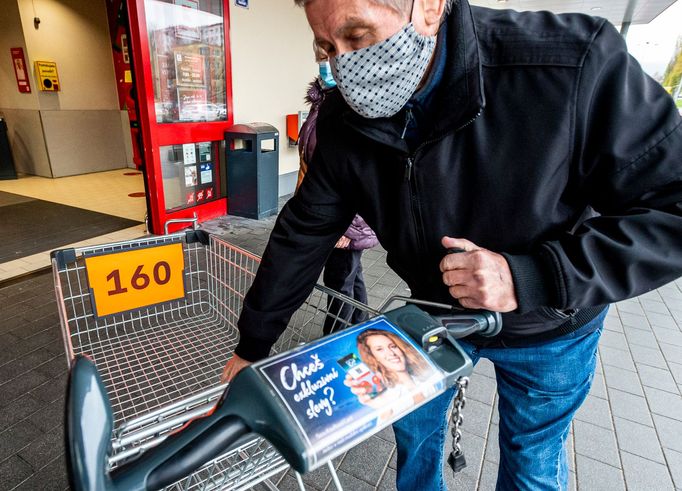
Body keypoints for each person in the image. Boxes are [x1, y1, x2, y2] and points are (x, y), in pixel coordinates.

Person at [221, 0, 682, 489]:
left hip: (553, 328)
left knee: (532, 460)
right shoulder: (345, 122)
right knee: (413, 433)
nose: (345, 66)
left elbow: (672, 209)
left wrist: (533, 276)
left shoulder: (569, 63)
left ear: (431, 7)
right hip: (429, 316)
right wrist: (252, 346)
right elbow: (303, 233)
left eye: (357, 37)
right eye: (327, 48)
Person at [297, 45, 379, 334]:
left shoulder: (357, 109)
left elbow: (362, 176)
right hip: (328, 212)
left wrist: (346, 227)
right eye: (322, 58)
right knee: (351, 276)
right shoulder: (324, 104)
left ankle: (334, 339)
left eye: (329, 58)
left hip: (343, 221)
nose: (326, 65)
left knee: (339, 283)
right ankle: (359, 326)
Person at [347, 329, 438, 419]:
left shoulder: (431, 376)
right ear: (373, 357)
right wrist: (385, 409)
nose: (391, 353)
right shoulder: (387, 398)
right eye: (379, 349)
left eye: (393, 346)